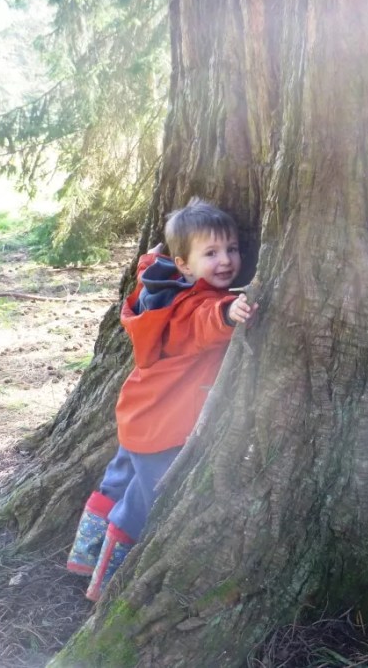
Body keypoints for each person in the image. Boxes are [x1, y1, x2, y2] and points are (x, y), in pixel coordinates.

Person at [66, 198, 257, 601]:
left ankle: (83, 556)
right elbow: (203, 321)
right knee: (145, 500)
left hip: (139, 413)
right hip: (163, 425)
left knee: (117, 481)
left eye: (232, 249)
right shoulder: (195, 306)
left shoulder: (161, 288)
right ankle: (106, 584)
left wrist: (152, 259)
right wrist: (229, 313)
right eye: (211, 253)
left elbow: (156, 274)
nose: (225, 261)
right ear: (184, 264)